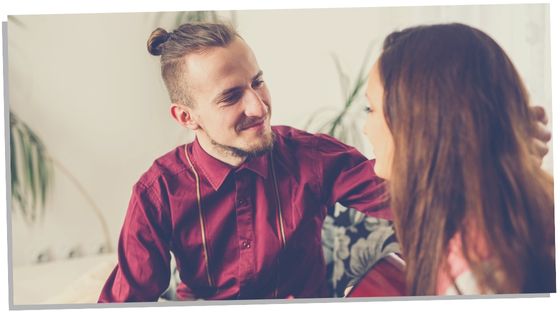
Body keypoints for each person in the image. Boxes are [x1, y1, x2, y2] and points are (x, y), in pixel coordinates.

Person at [98, 22, 392, 302]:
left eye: (258, 82)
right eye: (230, 97)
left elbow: (413, 197)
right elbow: (127, 300)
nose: (259, 106)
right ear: (186, 117)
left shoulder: (311, 156)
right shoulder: (158, 192)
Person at [362, 23, 555, 295]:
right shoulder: (499, 224)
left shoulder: (477, 275)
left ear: (419, 123)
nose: (365, 128)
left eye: (370, 109)